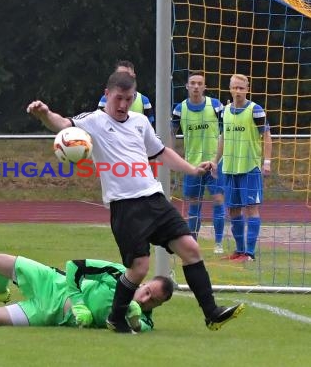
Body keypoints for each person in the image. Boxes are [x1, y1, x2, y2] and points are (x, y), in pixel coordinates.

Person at [26, 71, 245, 333]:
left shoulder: (140, 122)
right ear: (107, 95)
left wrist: (193, 170)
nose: (123, 105)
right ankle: (116, 317)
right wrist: (44, 114)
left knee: (191, 249)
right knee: (139, 268)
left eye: (129, 99)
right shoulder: (93, 121)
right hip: (125, 207)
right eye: (119, 98)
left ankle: (211, 313)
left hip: (154, 199)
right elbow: (62, 124)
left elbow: (161, 152)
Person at [0, 254, 173, 332]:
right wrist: (78, 303)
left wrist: (132, 316)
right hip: (52, 283)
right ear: (144, 282)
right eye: (147, 291)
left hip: (46, 314)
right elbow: (74, 266)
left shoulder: (144, 321)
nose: (145, 298)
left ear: (157, 307)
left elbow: (138, 327)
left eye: (152, 300)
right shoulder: (117, 275)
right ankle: (0, 291)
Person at [217, 74, 272, 262]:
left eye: (241, 88)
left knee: (251, 208)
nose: (238, 91)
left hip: (250, 167)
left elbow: (266, 135)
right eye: (235, 87)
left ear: (247, 89)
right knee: (233, 210)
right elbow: (222, 137)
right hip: (230, 168)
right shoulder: (224, 111)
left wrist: (267, 162)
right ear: (230, 88)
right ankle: (239, 251)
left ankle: (250, 253)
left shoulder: (255, 110)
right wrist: (216, 161)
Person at [171, 71, 225, 254]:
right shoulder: (180, 108)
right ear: (187, 86)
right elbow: (172, 133)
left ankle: (218, 243)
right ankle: (193, 242)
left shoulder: (216, 105)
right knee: (194, 204)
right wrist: (173, 157)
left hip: (214, 163)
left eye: (199, 83)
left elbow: (225, 133)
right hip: (192, 165)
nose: (195, 86)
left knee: (218, 200)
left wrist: (218, 158)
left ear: (204, 87)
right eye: (192, 83)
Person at [97, 60, 155, 128]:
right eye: (120, 75)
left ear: (134, 76)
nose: (123, 105)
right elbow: (98, 124)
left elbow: (150, 129)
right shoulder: (104, 100)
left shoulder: (144, 101)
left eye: (128, 99)